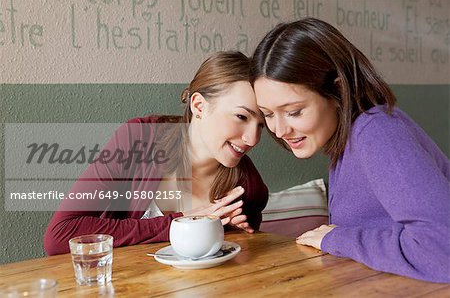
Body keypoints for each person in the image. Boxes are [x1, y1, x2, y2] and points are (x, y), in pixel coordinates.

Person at [250, 18, 449, 283]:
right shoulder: (347, 142)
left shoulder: (376, 131)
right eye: (268, 115)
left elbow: (441, 249)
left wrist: (339, 238)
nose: (279, 129)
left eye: (294, 112)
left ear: (338, 90)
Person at [44, 51, 268, 255]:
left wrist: (231, 237)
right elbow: (59, 237)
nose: (253, 139)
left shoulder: (247, 187)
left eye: (261, 124)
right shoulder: (137, 139)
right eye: (241, 117)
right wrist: (177, 222)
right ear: (199, 106)